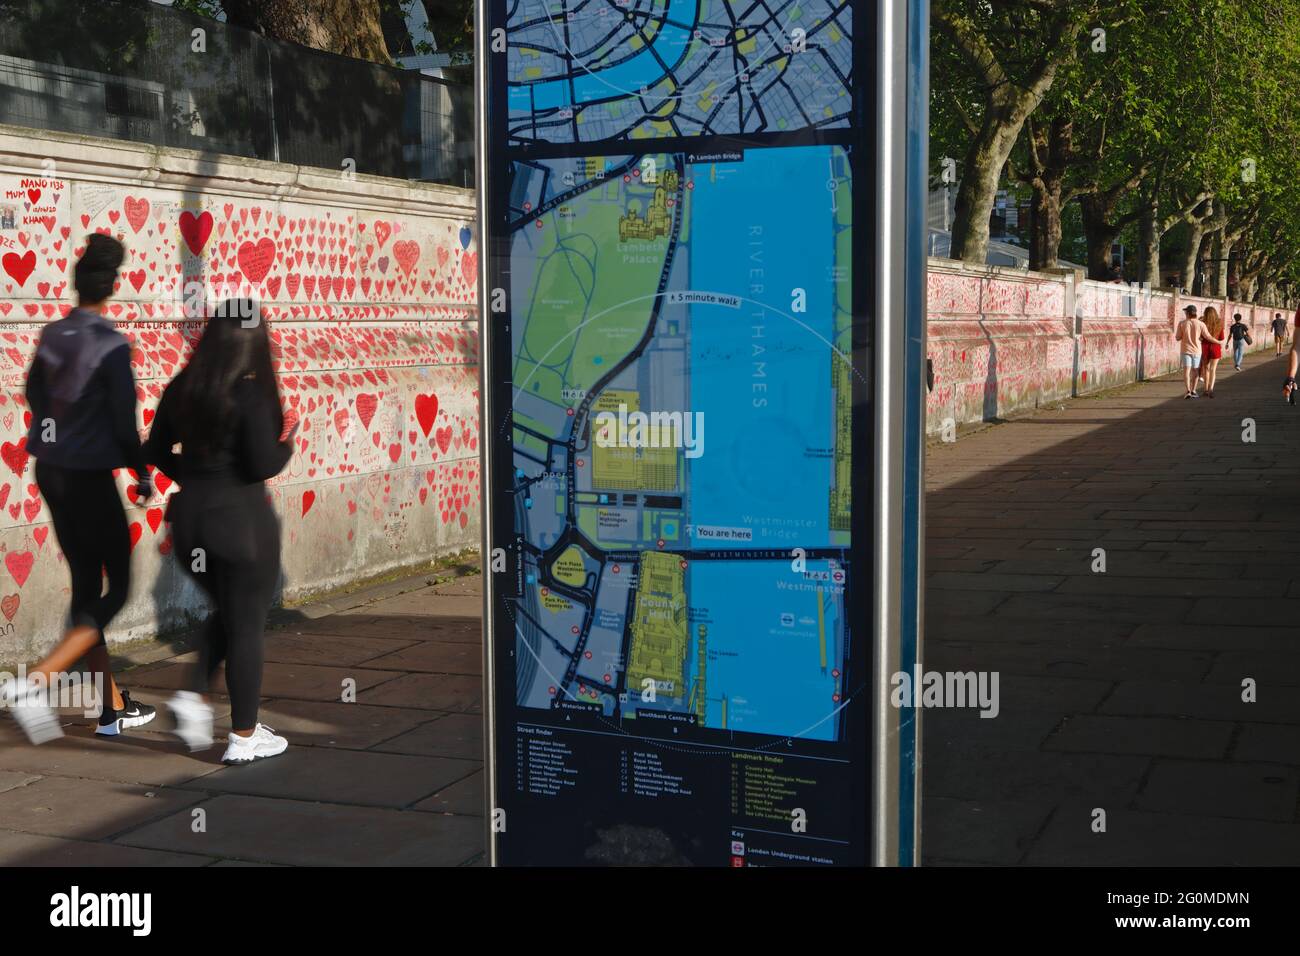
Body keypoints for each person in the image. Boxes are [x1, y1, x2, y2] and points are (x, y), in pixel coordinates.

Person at [0, 234, 156, 743]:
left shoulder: (52, 334)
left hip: (52, 470)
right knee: (121, 589)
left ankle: (109, 709)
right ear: (112, 286)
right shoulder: (111, 345)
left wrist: (61, 426)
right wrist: (142, 472)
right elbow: (123, 421)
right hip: (89, 477)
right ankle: (39, 682)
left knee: (87, 586)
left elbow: (33, 392)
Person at [144, 300, 296, 764]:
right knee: (247, 624)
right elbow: (261, 465)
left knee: (230, 612)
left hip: (190, 522)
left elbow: (154, 447)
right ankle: (245, 736)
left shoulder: (185, 386)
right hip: (242, 522)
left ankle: (192, 698)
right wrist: (287, 439)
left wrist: (191, 475)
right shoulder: (249, 395)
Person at [1175, 304, 1214, 399]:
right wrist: (1218, 341)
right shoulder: (1201, 324)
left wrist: (1185, 335)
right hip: (1197, 350)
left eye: (1185, 312)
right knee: (1195, 370)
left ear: (1187, 313)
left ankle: (1188, 390)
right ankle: (1194, 390)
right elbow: (1207, 336)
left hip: (1185, 350)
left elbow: (1178, 337)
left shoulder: (1182, 323)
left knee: (1186, 370)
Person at [1197, 306, 1227, 398]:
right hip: (1215, 347)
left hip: (1204, 347)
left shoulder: (1202, 323)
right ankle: (1211, 389)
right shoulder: (1219, 324)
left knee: (1206, 369)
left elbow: (1200, 337)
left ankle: (1205, 389)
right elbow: (1222, 338)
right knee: (1213, 369)